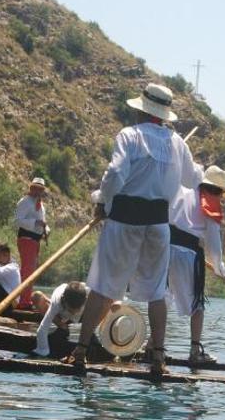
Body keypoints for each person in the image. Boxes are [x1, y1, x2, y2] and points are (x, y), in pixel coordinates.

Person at [63, 82, 204, 377]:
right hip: (158, 224)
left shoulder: (130, 135)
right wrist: (190, 166)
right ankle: (158, 358)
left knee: (102, 286)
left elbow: (115, 173)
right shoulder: (178, 143)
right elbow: (193, 181)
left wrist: (104, 203)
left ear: (141, 110)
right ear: (164, 114)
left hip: (124, 220)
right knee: (155, 291)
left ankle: (80, 351)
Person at [162, 165, 225, 365]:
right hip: (187, 255)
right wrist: (219, 265)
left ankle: (153, 345)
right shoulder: (209, 204)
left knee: (164, 297)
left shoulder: (183, 192)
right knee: (198, 304)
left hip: (165, 250)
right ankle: (195, 350)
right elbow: (213, 241)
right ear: (218, 191)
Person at [15, 177, 49, 310]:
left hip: (35, 241)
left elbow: (42, 222)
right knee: (28, 271)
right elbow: (18, 221)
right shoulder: (25, 202)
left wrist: (46, 230)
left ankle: (25, 300)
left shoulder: (40, 205)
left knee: (31, 271)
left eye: (40, 189)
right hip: (26, 239)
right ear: (31, 188)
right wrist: (36, 223)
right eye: (36, 188)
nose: (38, 191)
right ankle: (23, 302)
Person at [32, 281, 89, 357]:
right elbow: (41, 330)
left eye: (77, 309)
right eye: (70, 310)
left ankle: (67, 326)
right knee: (36, 296)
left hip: (80, 317)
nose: (73, 313)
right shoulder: (56, 303)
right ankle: (63, 326)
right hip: (60, 315)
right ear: (64, 300)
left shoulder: (89, 292)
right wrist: (43, 351)